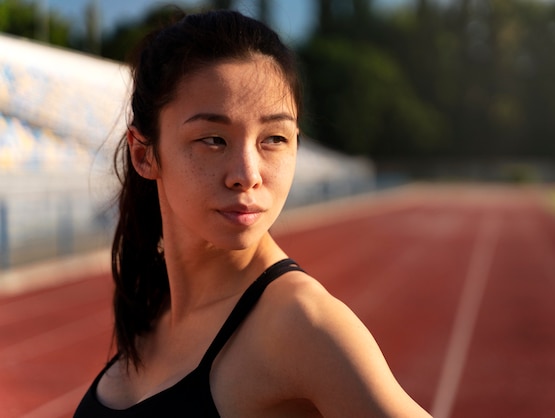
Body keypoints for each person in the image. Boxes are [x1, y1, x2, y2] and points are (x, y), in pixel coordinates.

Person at [74, 9, 432, 418]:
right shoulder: (152, 307)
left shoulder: (302, 325)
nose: (247, 175)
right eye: (213, 139)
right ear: (144, 154)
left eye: (274, 139)